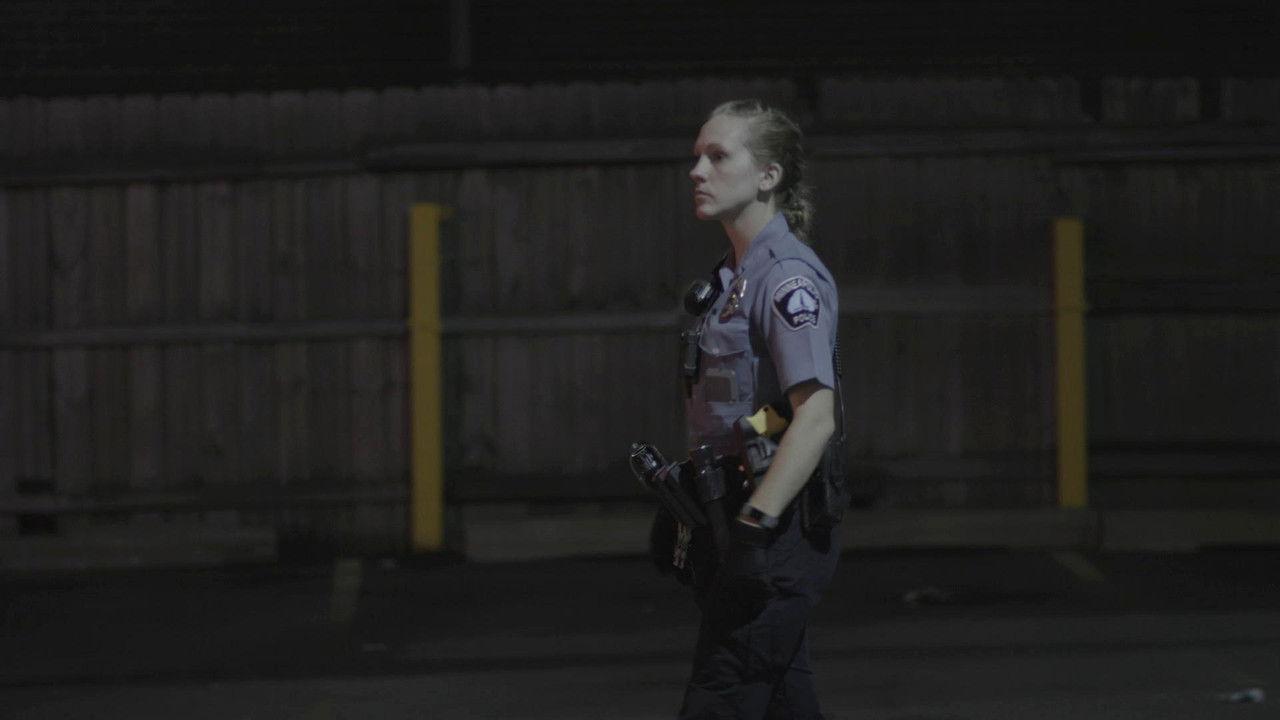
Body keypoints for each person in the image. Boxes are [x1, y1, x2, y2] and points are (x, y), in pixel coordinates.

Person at [676, 99, 842, 719]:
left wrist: (754, 522)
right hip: (741, 518)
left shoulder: (786, 278)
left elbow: (817, 413)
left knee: (721, 697)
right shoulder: (733, 277)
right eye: (696, 156)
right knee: (782, 700)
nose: (697, 170)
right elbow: (774, 411)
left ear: (768, 175)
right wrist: (696, 498)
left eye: (718, 156)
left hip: (777, 531)